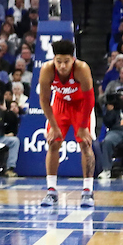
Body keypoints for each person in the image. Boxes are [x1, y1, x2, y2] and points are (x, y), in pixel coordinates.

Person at [37, 39, 96, 208]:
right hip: (60, 104)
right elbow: (44, 99)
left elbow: (90, 99)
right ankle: (51, 191)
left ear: (73, 59)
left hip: (81, 106)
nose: (62, 66)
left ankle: (87, 191)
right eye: (59, 62)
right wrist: (54, 127)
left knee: (85, 144)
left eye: (66, 62)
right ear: (53, 60)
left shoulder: (82, 69)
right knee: (53, 143)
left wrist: (84, 126)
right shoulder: (47, 70)